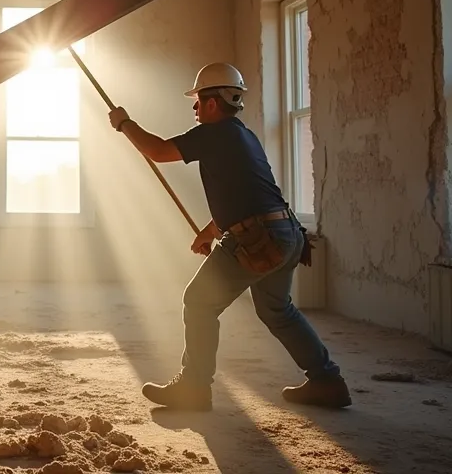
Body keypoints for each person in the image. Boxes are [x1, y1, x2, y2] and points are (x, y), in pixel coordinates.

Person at [106, 62, 350, 411]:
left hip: (259, 239)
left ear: (212, 102)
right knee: (277, 310)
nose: (194, 107)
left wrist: (124, 124)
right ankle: (327, 381)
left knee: (199, 301)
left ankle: (193, 388)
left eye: (197, 100)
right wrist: (211, 231)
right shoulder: (242, 135)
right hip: (286, 233)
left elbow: (158, 151)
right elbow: (245, 195)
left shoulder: (214, 133)